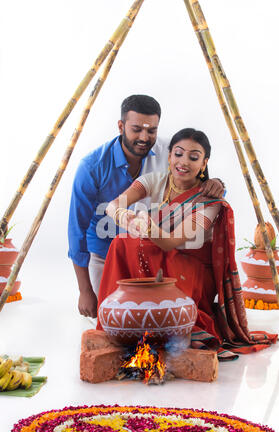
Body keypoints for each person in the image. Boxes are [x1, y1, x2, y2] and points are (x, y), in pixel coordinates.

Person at [97, 128, 277, 360]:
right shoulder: (155, 180)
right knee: (122, 243)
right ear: (169, 155)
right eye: (178, 154)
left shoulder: (209, 201)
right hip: (159, 257)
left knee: (136, 244)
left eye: (193, 157)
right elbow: (113, 205)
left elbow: (171, 242)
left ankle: (158, 321)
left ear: (204, 163)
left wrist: (145, 224)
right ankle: (118, 322)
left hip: (193, 271)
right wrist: (124, 216)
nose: (183, 162)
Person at [68, 95, 225, 319]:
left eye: (151, 130)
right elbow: (77, 228)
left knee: (156, 320)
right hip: (106, 251)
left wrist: (217, 183)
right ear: (121, 126)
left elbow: (201, 191)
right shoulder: (92, 167)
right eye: (136, 129)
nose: (144, 137)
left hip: (163, 252)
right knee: (111, 318)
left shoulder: (171, 151)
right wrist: (85, 290)